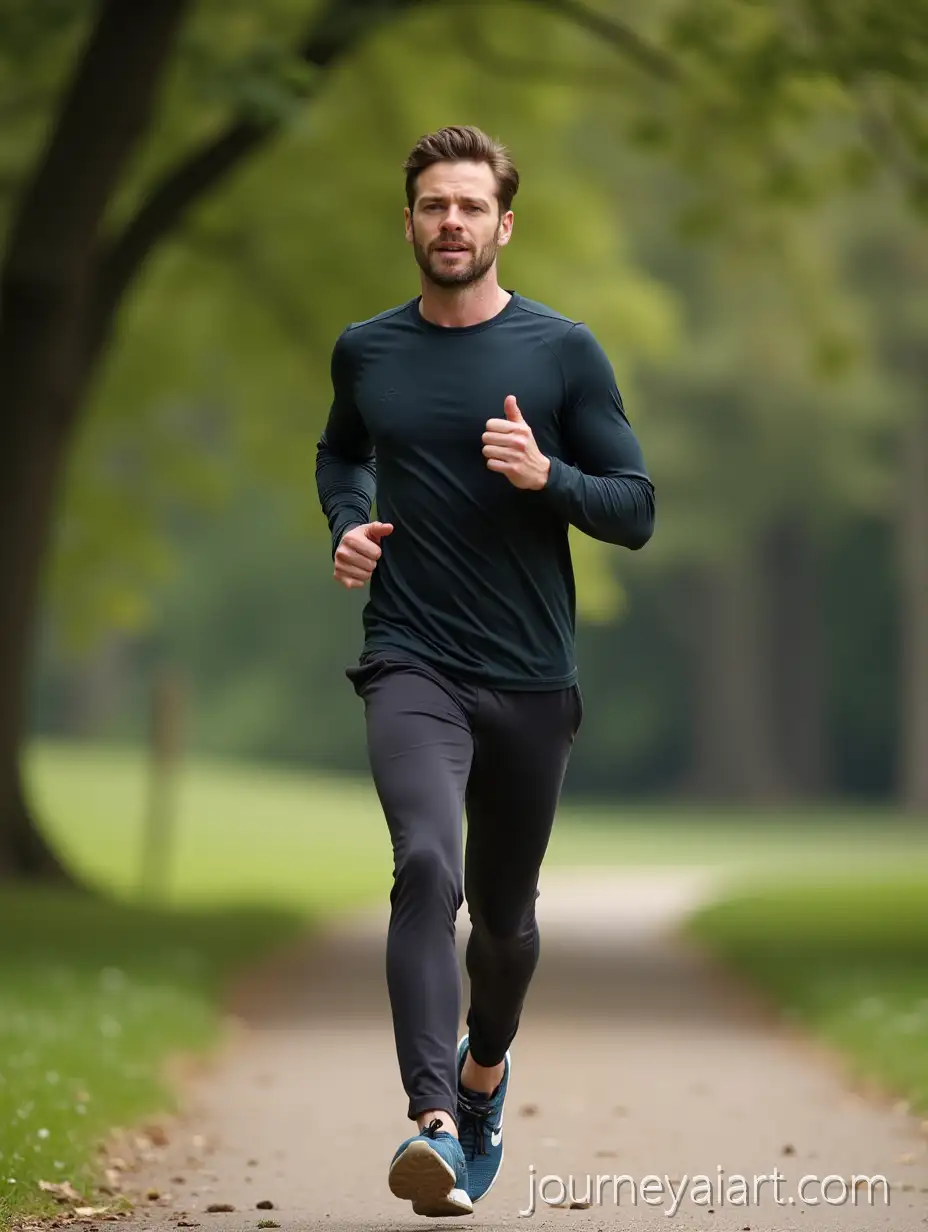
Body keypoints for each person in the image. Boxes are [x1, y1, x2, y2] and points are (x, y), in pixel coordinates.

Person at [315, 125, 654, 1217]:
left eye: (469, 206)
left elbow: (635, 508)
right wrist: (348, 519)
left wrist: (548, 475)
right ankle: (432, 1121)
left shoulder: (562, 353)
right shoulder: (367, 351)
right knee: (426, 861)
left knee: (504, 924)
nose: (450, 222)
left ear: (504, 224)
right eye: (433, 205)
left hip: (531, 677)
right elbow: (341, 448)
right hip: (410, 656)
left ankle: (483, 1075)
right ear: (410, 221)